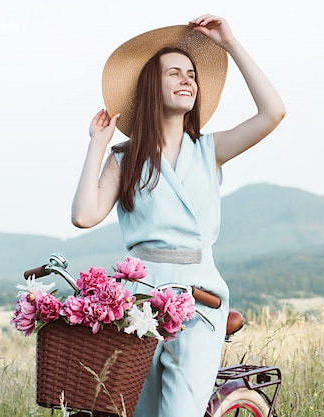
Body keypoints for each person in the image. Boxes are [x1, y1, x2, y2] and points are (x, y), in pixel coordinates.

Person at [71, 14, 285, 417]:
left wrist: (231, 44)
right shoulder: (125, 158)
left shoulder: (209, 150)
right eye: (175, 73)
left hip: (198, 298)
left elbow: (272, 113)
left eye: (192, 74)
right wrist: (98, 145)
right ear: (154, 85)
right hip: (139, 302)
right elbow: (84, 215)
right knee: (136, 411)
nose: (188, 80)